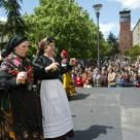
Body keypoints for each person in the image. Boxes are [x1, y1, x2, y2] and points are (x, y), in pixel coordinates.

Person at [0, 35, 42, 140]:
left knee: (32, 131)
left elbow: (33, 75)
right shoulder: (7, 63)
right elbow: (2, 83)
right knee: (22, 133)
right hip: (16, 105)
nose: (27, 49)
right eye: (24, 46)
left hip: (30, 102)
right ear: (15, 47)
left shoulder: (26, 61)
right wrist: (15, 80)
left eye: (27, 46)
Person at [33, 37, 74, 140]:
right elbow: (35, 74)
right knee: (51, 111)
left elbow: (60, 71)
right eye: (50, 46)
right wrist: (47, 68)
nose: (53, 48)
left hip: (57, 88)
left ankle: (62, 133)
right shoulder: (40, 59)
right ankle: (53, 136)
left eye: (54, 46)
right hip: (47, 88)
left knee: (61, 110)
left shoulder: (55, 59)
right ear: (44, 47)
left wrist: (70, 65)